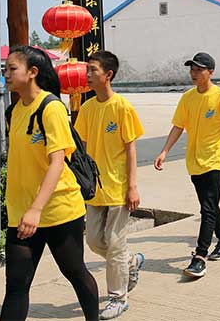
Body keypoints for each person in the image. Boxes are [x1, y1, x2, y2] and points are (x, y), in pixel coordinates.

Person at [1, 46, 99, 320]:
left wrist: (36, 210)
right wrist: (26, 210)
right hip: (22, 214)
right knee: (16, 285)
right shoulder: (14, 111)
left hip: (58, 210)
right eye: (5, 69)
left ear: (33, 72)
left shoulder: (51, 107)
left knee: (75, 273)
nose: (6, 74)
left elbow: (57, 162)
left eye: (12, 68)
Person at [73, 51, 144, 320]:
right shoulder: (88, 108)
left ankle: (118, 297)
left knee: (114, 243)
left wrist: (132, 186)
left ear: (108, 75)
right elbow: (81, 149)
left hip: (118, 187)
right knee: (93, 241)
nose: (88, 75)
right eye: (87, 70)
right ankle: (131, 262)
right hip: (94, 189)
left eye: (93, 70)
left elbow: (131, 149)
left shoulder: (122, 107)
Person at [154, 52, 220, 278]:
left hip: (215, 161)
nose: (194, 73)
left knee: (207, 208)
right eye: (192, 69)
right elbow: (178, 126)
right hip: (194, 161)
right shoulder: (188, 98)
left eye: (199, 69)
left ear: (211, 72)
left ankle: (200, 256)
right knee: (209, 204)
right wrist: (164, 151)